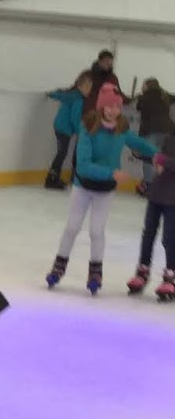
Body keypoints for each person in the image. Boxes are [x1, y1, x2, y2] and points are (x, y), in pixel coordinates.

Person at [46, 85, 162, 295]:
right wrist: (112, 173)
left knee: (97, 231)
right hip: (83, 186)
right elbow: (83, 165)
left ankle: (96, 271)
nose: (112, 110)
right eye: (108, 106)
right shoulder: (88, 127)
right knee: (72, 227)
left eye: (116, 107)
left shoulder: (121, 129)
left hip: (105, 190)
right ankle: (59, 266)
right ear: (101, 107)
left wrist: (161, 156)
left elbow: (141, 144)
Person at [126, 134, 175, 301]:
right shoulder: (169, 138)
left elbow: (164, 160)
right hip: (157, 194)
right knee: (148, 234)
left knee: (170, 238)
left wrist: (163, 160)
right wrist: (150, 158)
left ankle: (170, 275)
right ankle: (143, 270)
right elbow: (159, 158)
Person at [44, 72, 93, 190]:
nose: (88, 90)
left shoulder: (72, 94)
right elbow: (75, 118)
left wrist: (51, 94)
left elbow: (60, 95)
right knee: (61, 153)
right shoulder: (78, 99)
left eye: (90, 87)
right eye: (86, 86)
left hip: (60, 127)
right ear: (79, 86)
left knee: (62, 153)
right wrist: (80, 133)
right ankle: (51, 179)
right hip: (63, 129)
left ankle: (53, 178)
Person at [135, 78, 172, 195]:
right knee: (161, 160)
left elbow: (138, 107)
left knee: (148, 159)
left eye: (143, 85)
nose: (141, 87)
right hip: (168, 131)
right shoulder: (164, 96)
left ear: (147, 86)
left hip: (151, 131)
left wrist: (138, 97)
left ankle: (149, 186)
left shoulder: (145, 97)